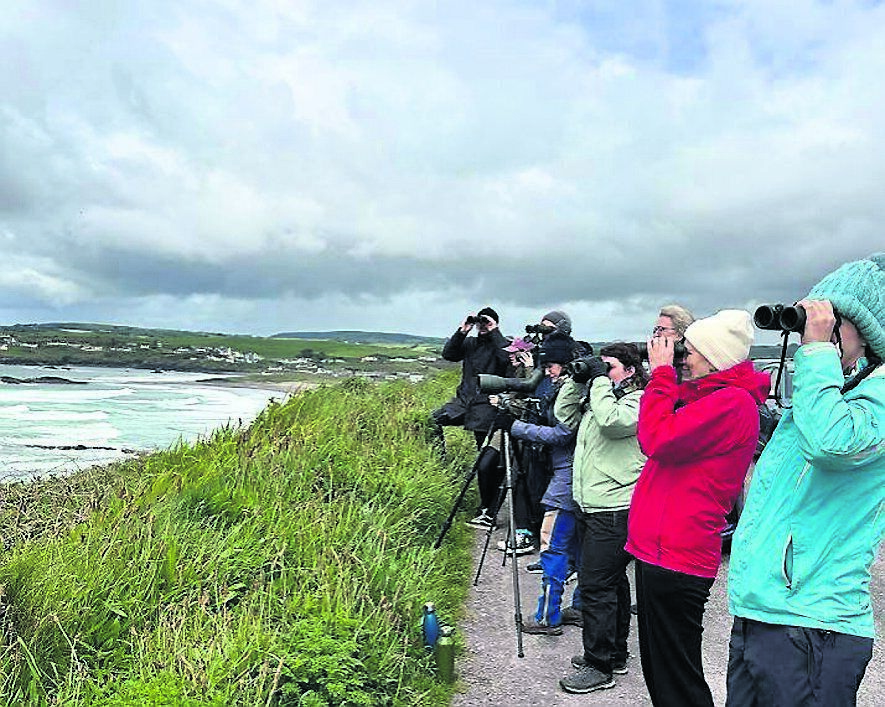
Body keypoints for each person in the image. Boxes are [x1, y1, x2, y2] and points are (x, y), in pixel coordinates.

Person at [726, 253, 885, 707]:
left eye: (831, 321)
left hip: (814, 620)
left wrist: (816, 354)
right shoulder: (835, 391)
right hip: (765, 607)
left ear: (868, 331)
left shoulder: (870, 394)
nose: (813, 331)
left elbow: (832, 444)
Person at [625, 310, 770, 707]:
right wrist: (671, 380)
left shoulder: (732, 403)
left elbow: (656, 438)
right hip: (661, 552)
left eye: (689, 352)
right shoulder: (713, 399)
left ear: (714, 356)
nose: (683, 359)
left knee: (677, 681)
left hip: (677, 556)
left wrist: (660, 375)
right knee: (664, 675)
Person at [559, 343, 648, 694]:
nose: (602, 373)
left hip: (615, 507)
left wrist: (597, 381)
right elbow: (564, 417)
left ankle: (599, 666)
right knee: (612, 583)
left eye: (608, 366)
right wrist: (577, 380)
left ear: (630, 370)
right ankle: (615, 654)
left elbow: (613, 423)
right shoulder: (600, 397)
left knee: (595, 586)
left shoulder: (638, 400)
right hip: (592, 504)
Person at [492, 333, 583, 632]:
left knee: (553, 545)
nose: (547, 372)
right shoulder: (584, 386)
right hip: (584, 479)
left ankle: (547, 616)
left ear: (564, 364)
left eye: (551, 366)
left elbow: (562, 434)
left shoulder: (571, 390)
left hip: (567, 478)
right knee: (582, 549)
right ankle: (581, 607)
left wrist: (516, 427)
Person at [431, 307, 511, 452]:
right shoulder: (470, 343)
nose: (482, 325)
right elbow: (449, 355)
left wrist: (494, 331)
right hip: (463, 401)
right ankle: (438, 458)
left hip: (487, 405)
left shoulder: (501, 345)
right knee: (432, 421)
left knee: (484, 448)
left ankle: (484, 466)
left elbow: (506, 359)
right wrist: (463, 331)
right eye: (480, 322)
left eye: (486, 322)